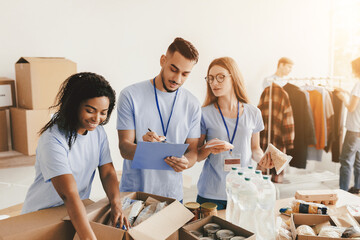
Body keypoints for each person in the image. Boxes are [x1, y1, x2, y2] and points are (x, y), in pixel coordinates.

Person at [22, 72, 129, 239]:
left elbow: (107, 172)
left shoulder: (98, 132)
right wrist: (88, 237)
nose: (97, 118)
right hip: (42, 214)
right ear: (74, 105)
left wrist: (116, 204)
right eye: (90, 110)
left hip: (73, 211)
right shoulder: (53, 139)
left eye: (103, 112)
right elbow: (69, 194)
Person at [117, 37, 201, 202]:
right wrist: (146, 148)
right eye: (173, 69)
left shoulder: (192, 104)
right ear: (163, 60)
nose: (177, 79)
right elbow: (124, 149)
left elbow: (193, 151)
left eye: (185, 74)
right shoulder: (130, 95)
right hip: (133, 195)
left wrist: (186, 162)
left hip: (172, 196)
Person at [197, 57, 274, 209]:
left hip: (243, 191)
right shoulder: (204, 114)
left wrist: (262, 159)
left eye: (220, 77)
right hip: (211, 192)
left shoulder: (253, 113)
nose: (214, 83)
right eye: (211, 78)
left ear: (234, 77)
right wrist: (209, 148)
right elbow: (196, 155)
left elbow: (255, 149)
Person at [335, 57, 360, 194]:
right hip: (359, 130)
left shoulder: (358, 84)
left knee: (345, 160)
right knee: (358, 161)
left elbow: (351, 107)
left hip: (354, 129)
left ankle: (342, 191)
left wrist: (343, 98)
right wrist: (345, 91)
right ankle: (357, 187)